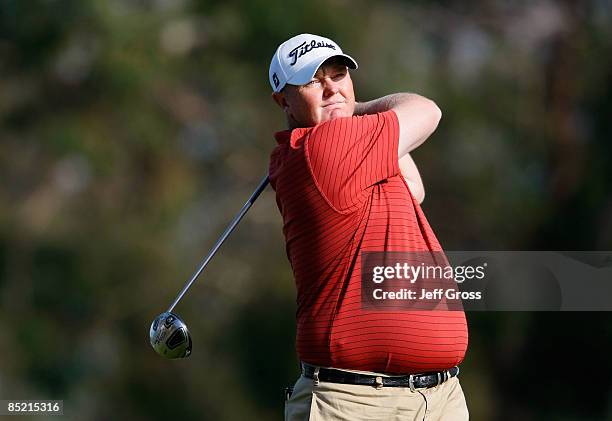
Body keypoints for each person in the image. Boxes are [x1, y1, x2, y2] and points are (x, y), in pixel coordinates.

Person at [268, 33, 469, 421]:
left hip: (440, 396)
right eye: (312, 81)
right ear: (283, 101)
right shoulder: (321, 149)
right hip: (356, 402)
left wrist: (350, 113)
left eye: (338, 75)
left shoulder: (346, 149)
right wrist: (359, 106)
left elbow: (414, 188)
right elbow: (426, 110)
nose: (331, 89)